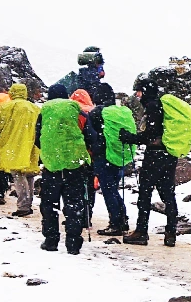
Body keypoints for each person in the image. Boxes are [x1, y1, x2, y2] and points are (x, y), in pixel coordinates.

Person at [119, 85, 191, 247]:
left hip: (155, 154)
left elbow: (151, 134)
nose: (137, 95)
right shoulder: (162, 105)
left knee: (145, 192)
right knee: (168, 194)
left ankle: (141, 231)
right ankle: (171, 232)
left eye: (138, 91)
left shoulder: (153, 106)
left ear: (145, 91)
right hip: (169, 154)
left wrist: (130, 138)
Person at [36, 84, 92, 254]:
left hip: (51, 166)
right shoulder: (77, 110)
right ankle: (73, 243)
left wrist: (50, 152)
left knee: (49, 204)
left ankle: (51, 240)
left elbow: (37, 138)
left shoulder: (44, 112)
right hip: (75, 164)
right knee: (74, 204)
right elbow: (90, 135)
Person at [84, 89, 134, 237]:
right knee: (113, 189)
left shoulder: (97, 113)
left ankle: (115, 223)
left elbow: (91, 135)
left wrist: (93, 149)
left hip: (104, 157)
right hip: (119, 155)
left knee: (108, 190)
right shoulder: (121, 112)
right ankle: (122, 219)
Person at [0, 83, 40, 217]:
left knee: (18, 174)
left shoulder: (5, 107)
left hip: (12, 145)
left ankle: (23, 205)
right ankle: (28, 203)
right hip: (31, 145)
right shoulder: (35, 108)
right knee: (29, 174)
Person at [70, 89, 99, 228]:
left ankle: (75, 215)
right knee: (89, 187)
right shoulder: (93, 111)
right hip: (91, 154)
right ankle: (88, 215)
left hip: (76, 154)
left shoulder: (73, 112)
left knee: (75, 187)